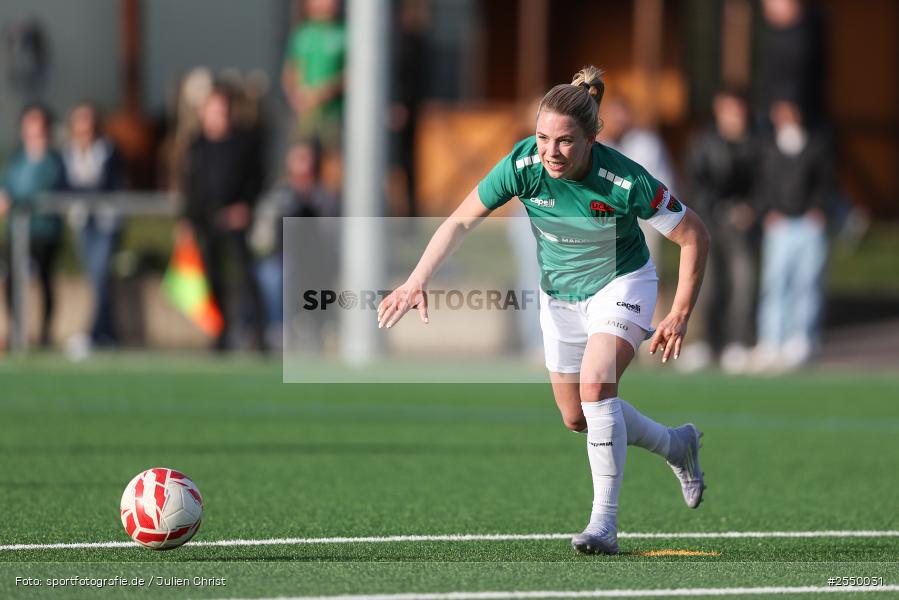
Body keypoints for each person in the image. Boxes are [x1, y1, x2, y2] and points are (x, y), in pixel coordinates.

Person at [377, 67, 710, 555]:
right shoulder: (522, 165)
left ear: (593, 138)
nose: (551, 152)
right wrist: (416, 279)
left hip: (623, 283)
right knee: (578, 416)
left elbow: (693, 234)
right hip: (560, 297)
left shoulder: (625, 179)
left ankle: (604, 525)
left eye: (566, 141)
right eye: (542, 138)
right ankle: (675, 445)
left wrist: (679, 311)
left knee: (598, 384)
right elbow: (461, 221)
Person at [181, 85, 267, 352]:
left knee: (245, 276)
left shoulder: (243, 143)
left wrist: (245, 208)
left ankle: (257, 334)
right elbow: (190, 187)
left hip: (237, 220)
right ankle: (220, 334)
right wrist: (188, 221)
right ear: (204, 113)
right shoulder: (196, 145)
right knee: (212, 278)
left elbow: (257, 180)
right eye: (214, 110)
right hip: (208, 221)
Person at [753, 99, 832, 371]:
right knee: (775, 282)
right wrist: (768, 211)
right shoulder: (768, 146)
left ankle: (801, 337)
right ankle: (771, 338)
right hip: (780, 224)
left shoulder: (815, 145)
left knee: (807, 281)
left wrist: (818, 210)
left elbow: (825, 182)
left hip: (808, 224)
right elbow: (762, 184)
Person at [685, 88, 759, 373]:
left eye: (738, 111)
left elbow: (764, 184)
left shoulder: (756, 142)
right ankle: (703, 342)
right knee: (706, 284)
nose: (734, 117)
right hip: (709, 223)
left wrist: (750, 209)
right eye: (728, 111)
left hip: (744, 227)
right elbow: (696, 183)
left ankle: (738, 342)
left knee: (742, 283)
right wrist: (718, 210)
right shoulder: (704, 143)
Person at [62, 102, 127, 350]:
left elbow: (107, 185)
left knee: (99, 276)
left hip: (106, 223)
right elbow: (64, 186)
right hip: (81, 222)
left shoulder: (109, 151)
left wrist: (84, 189)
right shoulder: (68, 153)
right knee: (95, 280)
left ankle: (91, 333)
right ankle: (108, 335)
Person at [0, 104, 65, 348]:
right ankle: (17, 332)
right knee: (11, 281)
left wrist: (16, 199)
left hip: (44, 231)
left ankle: (45, 334)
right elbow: (6, 185)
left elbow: (44, 189)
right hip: (17, 232)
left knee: (45, 281)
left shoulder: (53, 160)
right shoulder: (16, 159)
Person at [281, 0, 346, 151]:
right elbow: (292, 69)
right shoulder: (302, 34)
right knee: (300, 160)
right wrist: (295, 96)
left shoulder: (345, 33)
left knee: (333, 163)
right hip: (305, 116)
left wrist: (321, 94)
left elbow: (352, 75)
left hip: (334, 117)